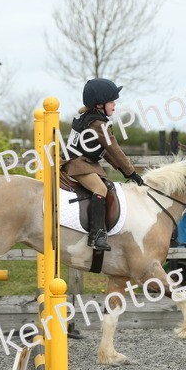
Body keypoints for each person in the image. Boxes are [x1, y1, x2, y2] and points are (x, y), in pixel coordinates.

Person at [61, 78, 143, 251]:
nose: (115, 105)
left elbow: (104, 151)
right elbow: (115, 150)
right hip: (77, 163)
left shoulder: (91, 119)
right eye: (111, 101)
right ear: (99, 104)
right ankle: (97, 235)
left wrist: (125, 172)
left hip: (82, 161)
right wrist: (131, 172)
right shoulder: (98, 124)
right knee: (100, 189)